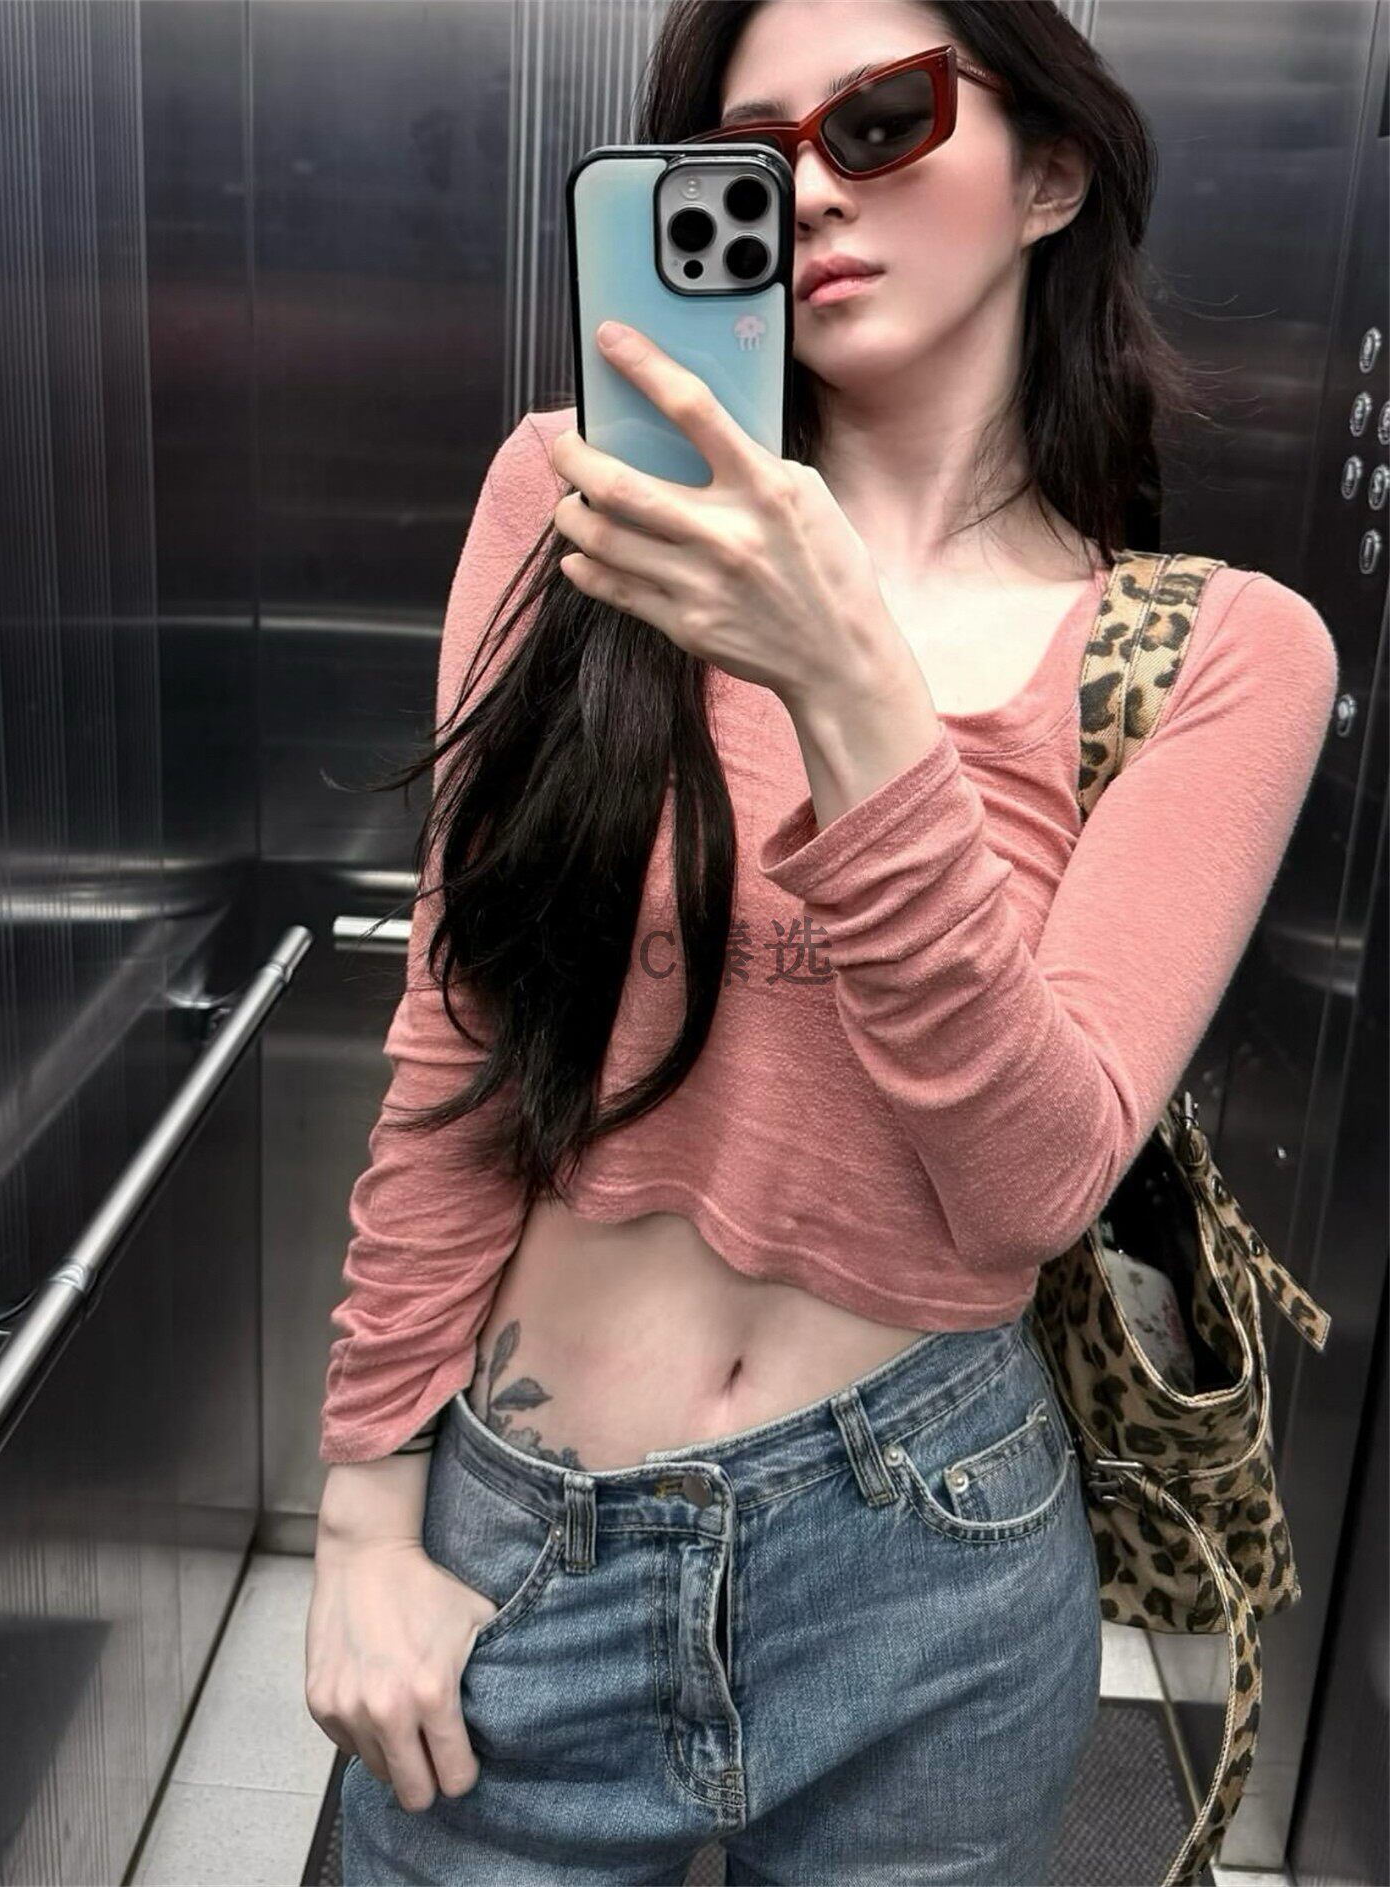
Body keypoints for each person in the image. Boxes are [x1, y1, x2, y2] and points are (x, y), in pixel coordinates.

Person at [305, 3, 1340, 1882]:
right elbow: (463, 1027)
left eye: (877, 122)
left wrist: (848, 692)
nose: (802, 194)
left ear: (1051, 171)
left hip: (934, 1563)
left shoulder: (1217, 652)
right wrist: (368, 1518)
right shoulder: (580, 503)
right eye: (746, 149)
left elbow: (1032, 1186)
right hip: (534, 1532)